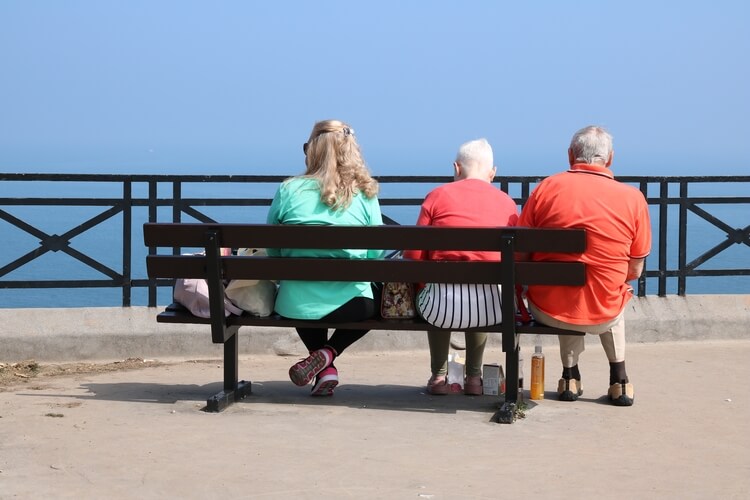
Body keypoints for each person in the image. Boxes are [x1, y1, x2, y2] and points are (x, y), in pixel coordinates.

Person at [518, 126, 651, 406]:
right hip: (604, 311)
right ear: (610, 159)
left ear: (570, 156)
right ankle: (620, 381)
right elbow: (635, 271)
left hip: (548, 310)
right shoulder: (633, 199)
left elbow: (521, 254)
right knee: (613, 293)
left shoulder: (546, 188)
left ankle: (569, 377)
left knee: (568, 291)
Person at [266, 119, 384, 397]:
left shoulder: (288, 190)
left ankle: (324, 369)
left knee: (305, 296)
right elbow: (376, 254)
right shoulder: (365, 193)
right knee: (380, 302)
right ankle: (328, 354)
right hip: (355, 306)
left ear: (311, 150)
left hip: (295, 303)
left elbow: (271, 248)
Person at [403, 138, 519, 395]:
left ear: (456, 168)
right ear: (493, 173)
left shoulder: (436, 196)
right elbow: (516, 259)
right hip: (492, 310)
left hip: (438, 309)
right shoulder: (506, 203)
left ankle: (439, 377)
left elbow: (412, 255)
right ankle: (475, 378)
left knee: (436, 290)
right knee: (482, 293)